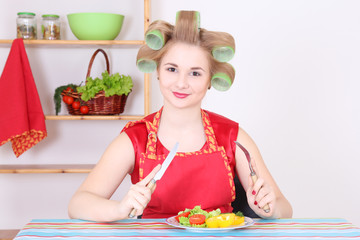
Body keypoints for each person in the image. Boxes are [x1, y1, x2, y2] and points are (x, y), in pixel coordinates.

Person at [68, 11, 292, 222]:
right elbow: (78, 203)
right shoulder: (135, 139)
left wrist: (268, 209)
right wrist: (119, 208)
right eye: (172, 69)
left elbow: (285, 208)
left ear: (210, 80)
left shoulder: (233, 137)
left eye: (195, 73)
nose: (181, 82)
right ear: (157, 71)